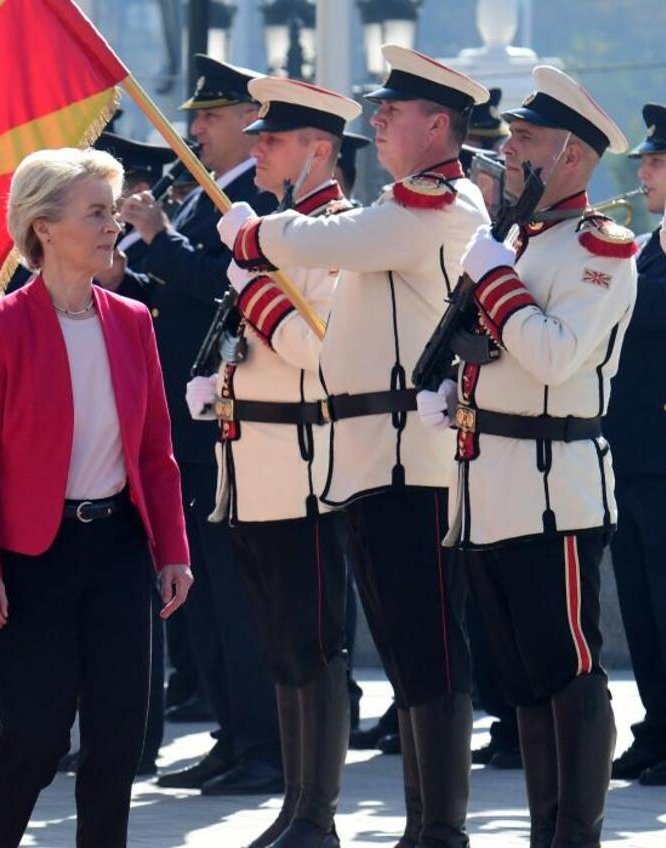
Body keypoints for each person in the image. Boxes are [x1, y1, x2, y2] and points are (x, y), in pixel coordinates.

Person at [219, 45, 490, 848]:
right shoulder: (402, 210)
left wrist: (256, 236)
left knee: (427, 649)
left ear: (437, 123)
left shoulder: (436, 206)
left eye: (393, 112)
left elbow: (336, 249)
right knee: (406, 651)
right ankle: (411, 823)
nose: (378, 121)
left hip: (412, 458)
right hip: (372, 456)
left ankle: (437, 828)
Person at [421, 65, 636, 846]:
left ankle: (573, 834)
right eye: (511, 136)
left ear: (573, 157)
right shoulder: (520, 238)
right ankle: (547, 828)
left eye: (527, 139)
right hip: (489, 488)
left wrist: (498, 281)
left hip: (555, 493)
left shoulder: (598, 249)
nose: (508, 151)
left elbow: (553, 356)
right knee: (523, 681)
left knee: (568, 674)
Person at [0, 147, 192, 848]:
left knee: (119, 739)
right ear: (45, 226)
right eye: (96, 212)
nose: (111, 225)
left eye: (112, 211)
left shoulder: (132, 321)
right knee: (34, 738)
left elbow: (155, 451)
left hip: (119, 550)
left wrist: (172, 551)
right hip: (31, 559)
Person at [186, 77, 361, 848]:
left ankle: (316, 812)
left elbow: (321, 354)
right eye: (255, 135)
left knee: (313, 642)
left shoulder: (339, 234)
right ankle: (295, 805)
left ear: (316, 151)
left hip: (305, 461)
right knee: (281, 645)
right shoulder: (283, 234)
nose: (255, 149)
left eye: (273, 139)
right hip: (251, 461)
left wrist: (253, 292)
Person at [121, 53, 283, 797]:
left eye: (210, 117)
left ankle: (263, 744)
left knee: (237, 593)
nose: (194, 129)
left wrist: (157, 239)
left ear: (250, 123)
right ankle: (233, 731)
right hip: (190, 416)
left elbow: (229, 284)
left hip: (229, 417)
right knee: (211, 596)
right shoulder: (207, 194)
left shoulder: (254, 195)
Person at [605, 102, 666, 786]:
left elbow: (657, 310)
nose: (645, 173)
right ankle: (659, 728)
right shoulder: (650, 247)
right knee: (644, 609)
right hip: (633, 457)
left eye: (658, 161)